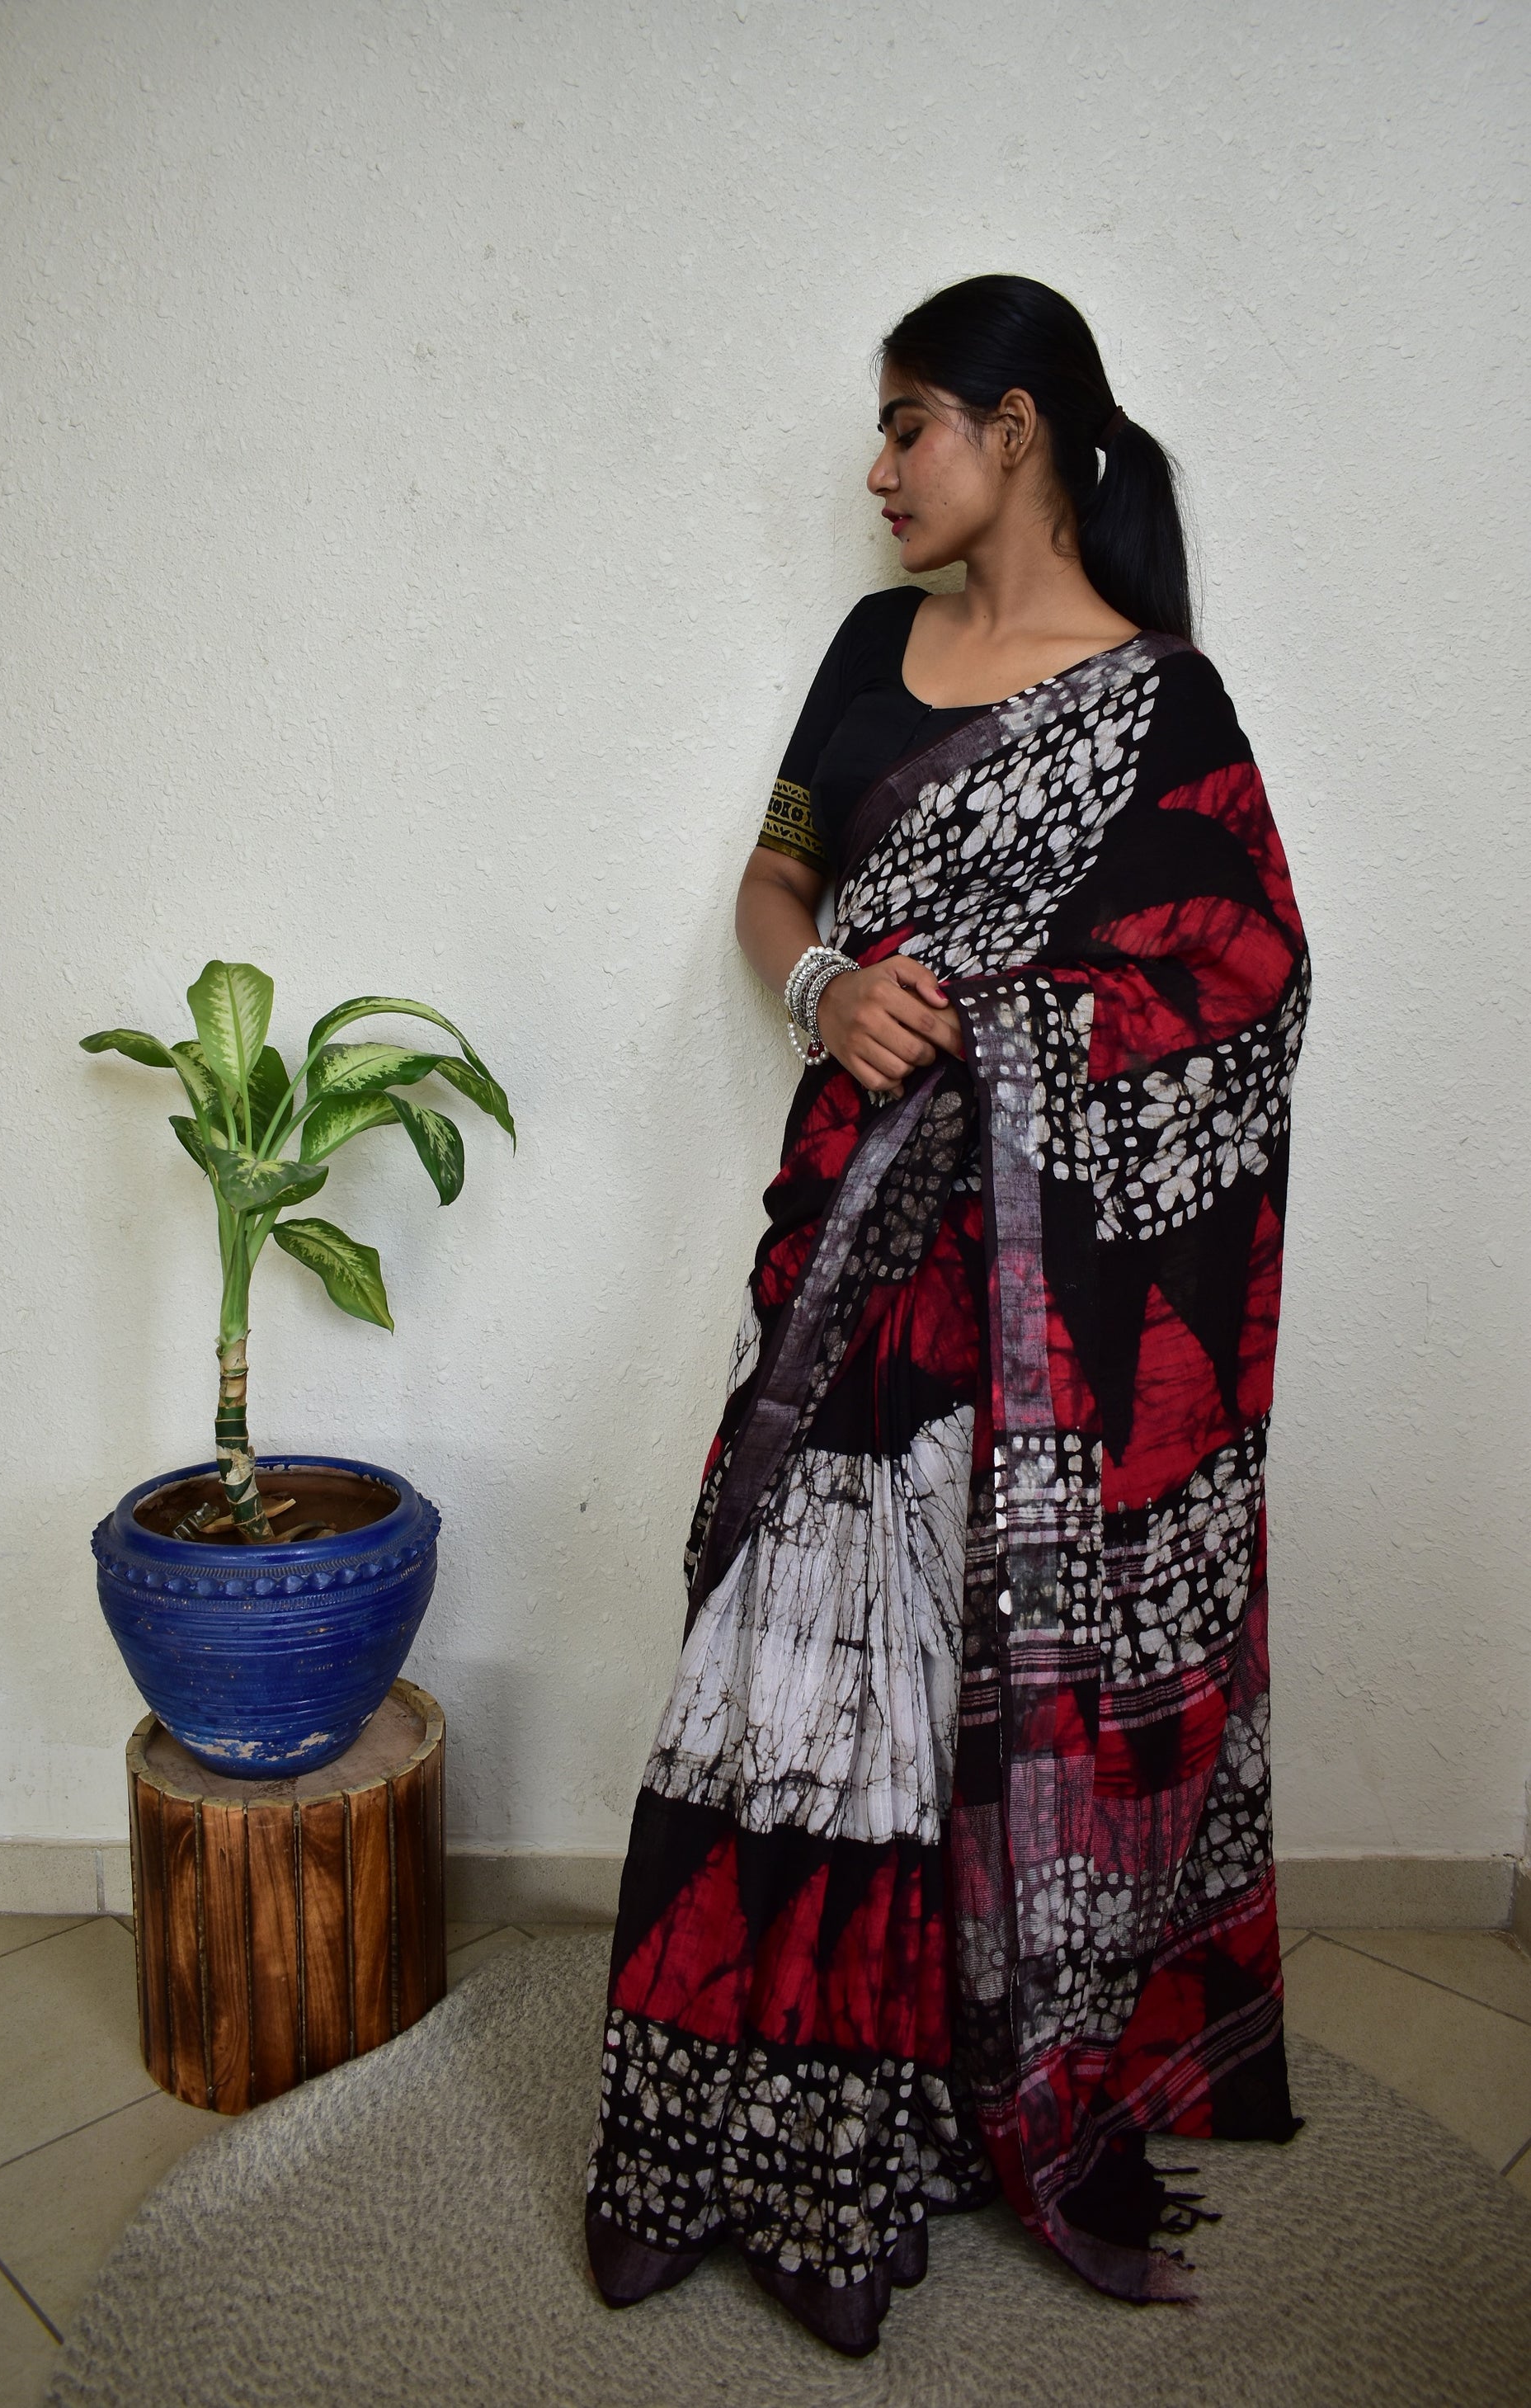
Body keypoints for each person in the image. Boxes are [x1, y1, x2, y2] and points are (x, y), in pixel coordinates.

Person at [584, 273, 1308, 2359]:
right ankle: (686, 2140)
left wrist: (996, 1027)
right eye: (878, 433)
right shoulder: (862, 654)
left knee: (912, 1703)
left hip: (1026, 1304)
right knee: (766, 1675)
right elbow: (772, 884)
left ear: (1012, 428)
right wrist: (823, 992)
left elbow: (1248, 980)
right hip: (845, 1249)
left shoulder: (1164, 705)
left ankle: (855, 2159)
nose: (877, 468)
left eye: (906, 425)